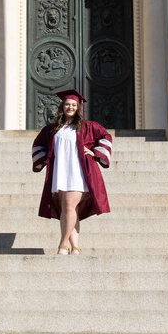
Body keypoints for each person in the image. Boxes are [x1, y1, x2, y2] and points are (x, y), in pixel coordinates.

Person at [31, 89, 113, 254]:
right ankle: (75, 247)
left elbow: (106, 136)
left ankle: (62, 245)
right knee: (67, 209)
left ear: (78, 107)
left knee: (69, 204)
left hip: (79, 172)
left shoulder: (88, 126)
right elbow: (38, 144)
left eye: (74, 105)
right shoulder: (53, 129)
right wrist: (45, 158)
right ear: (62, 106)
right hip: (60, 172)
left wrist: (94, 152)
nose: (70, 107)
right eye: (67, 104)